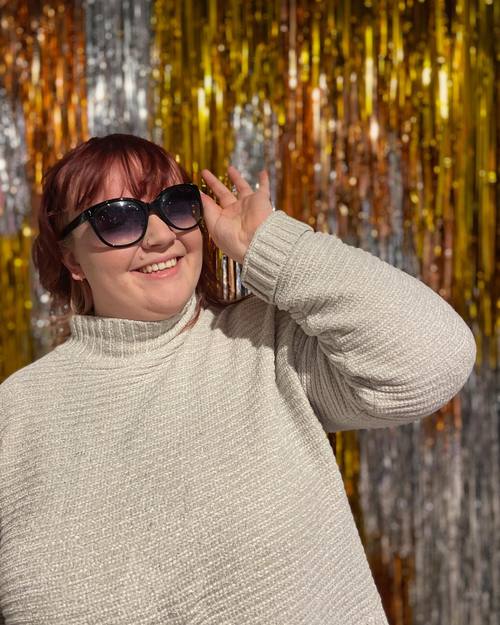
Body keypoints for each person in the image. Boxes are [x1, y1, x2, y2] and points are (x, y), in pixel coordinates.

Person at [0, 133, 476, 625]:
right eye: (118, 218)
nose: (160, 235)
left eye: (175, 205)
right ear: (72, 260)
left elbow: (435, 359)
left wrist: (269, 246)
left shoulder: (264, 342)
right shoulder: (15, 413)